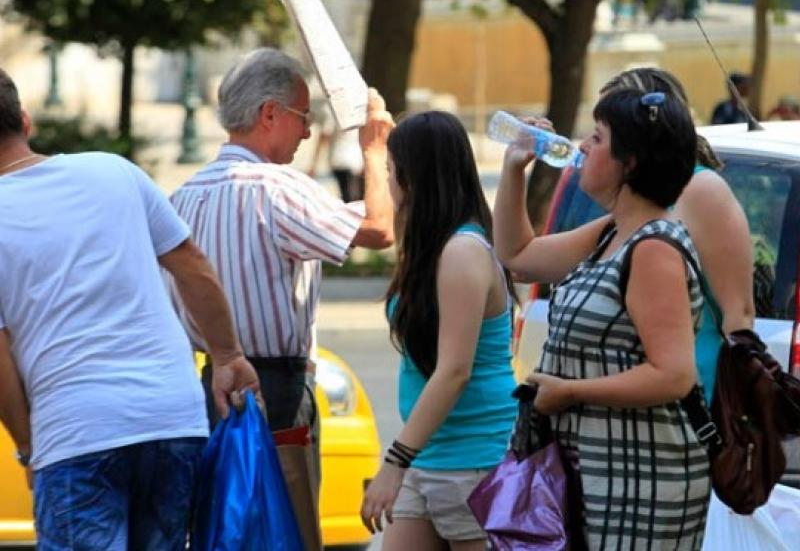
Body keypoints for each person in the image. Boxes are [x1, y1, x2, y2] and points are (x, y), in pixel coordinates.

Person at [0, 68, 258, 549]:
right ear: (25, 120)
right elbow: (193, 266)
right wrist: (227, 356)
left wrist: (29, 448)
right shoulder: (113, 171)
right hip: (171, 417)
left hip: (77, 431)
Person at [168, 47, 394, 545]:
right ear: (270, 114)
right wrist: (375, 151)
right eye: (303, 117)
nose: (308, 132)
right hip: (276, 394)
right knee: (287, 531)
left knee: (221, 532)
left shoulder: (181, 197)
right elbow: (380, 229)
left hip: (209, 394)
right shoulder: (279, 189)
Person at [494, 88, 710, 548]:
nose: (584, 146)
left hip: (638, 484)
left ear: (629, 162)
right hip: (591, 474)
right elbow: (517, 256)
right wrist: (515, 168)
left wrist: (571, 392)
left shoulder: (653, 248)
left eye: (598, 136)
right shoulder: (612, 232)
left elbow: (673, 375)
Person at [360, 111, 517, 550]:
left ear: (413, 179)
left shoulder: (463, 252)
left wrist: (394, 462)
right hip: (426, 454)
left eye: (391, 171)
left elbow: (454, 370)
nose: (389, 184)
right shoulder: (430, 249)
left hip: (473, 462)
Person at [600, 67, 754, 405]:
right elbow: (522, 257)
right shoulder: (634, 201)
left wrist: (730, 420)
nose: (594, 144)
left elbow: (739, 316)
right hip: (635, 398)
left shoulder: (700, 189)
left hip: (692, 401)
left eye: (604, 131)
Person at [308, 110, 365, 202]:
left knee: (348, 197)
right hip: (355, 161)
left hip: (341, 160)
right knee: (355, 198)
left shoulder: (333, 112)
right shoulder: (359, 111)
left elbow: (323, 137)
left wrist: (314, 164)